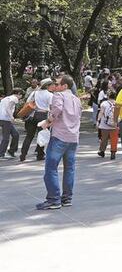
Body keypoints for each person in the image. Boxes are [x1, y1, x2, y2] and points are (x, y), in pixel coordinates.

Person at [36, 75, 81, 210]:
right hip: (73, 138)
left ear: (65, 86)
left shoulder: (58, 96)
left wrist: (48, 121)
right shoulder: (76, 99)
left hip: (60, 136)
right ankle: (67, 198)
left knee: (51, 168)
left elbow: (57, 110)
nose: (54, 86)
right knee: (69, 169)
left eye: (57, 84)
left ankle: (54, 199)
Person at [17, 77, 54, 162]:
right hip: (43, 115)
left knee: (29, 136)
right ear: (48, 85)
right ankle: (40, 155)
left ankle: (23, 155)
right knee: (42, 135)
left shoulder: (34, 93)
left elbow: (27, 103)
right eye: (51, 84)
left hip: (32, 115)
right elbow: (52, 108)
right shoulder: (50, 95)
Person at [0, 88, 23, 158]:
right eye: (21, 95)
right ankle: (1, 153)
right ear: (18, 93)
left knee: (15, 134)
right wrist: (11, 117)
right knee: (6, 137)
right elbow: (8, 108)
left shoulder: (6, 98)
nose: (21, 97)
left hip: (2, 118)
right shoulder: (14, 98)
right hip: (6, 119)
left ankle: (11, 151)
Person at [96, 90, 119, 159]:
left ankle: (102, 151)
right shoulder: (118, 104)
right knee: (114, 139)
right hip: (114, 124)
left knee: (104, 139)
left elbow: (101, 113)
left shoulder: (104, 103)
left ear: (108, 96)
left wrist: (98, 120)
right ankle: (113, 152)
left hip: (104, 125)